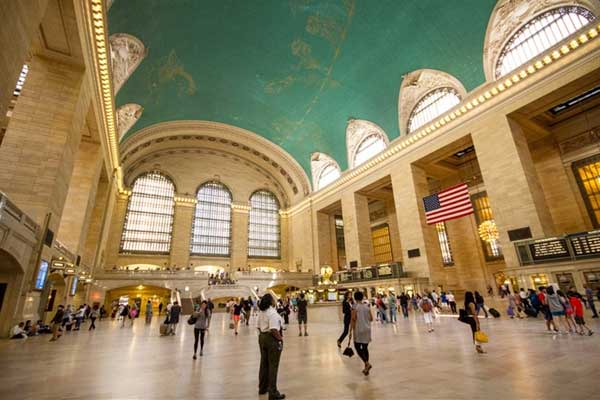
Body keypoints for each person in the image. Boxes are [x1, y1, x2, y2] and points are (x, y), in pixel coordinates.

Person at [257, 293, 285, 400]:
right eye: (273, 299)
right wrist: (280, 339)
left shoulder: (262, 312)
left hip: (262, 337)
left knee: (264, 364)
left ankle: (263, 388)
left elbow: (259, 327)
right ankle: (273, 392)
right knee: (273, 365)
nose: (275, 301)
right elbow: (274, 329)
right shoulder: (272, 313)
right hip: (271, 339)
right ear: (270, 301)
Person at [350, 291, 373, 376]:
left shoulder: (354, 307)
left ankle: (366, 363)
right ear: (362, 297)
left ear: (355, 298)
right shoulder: (367, 306)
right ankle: (366, 369)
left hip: (359, 330)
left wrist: (350, 332)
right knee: (365, 348)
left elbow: (353, 319)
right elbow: (371, 318)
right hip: (367, 330)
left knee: (357, 347)